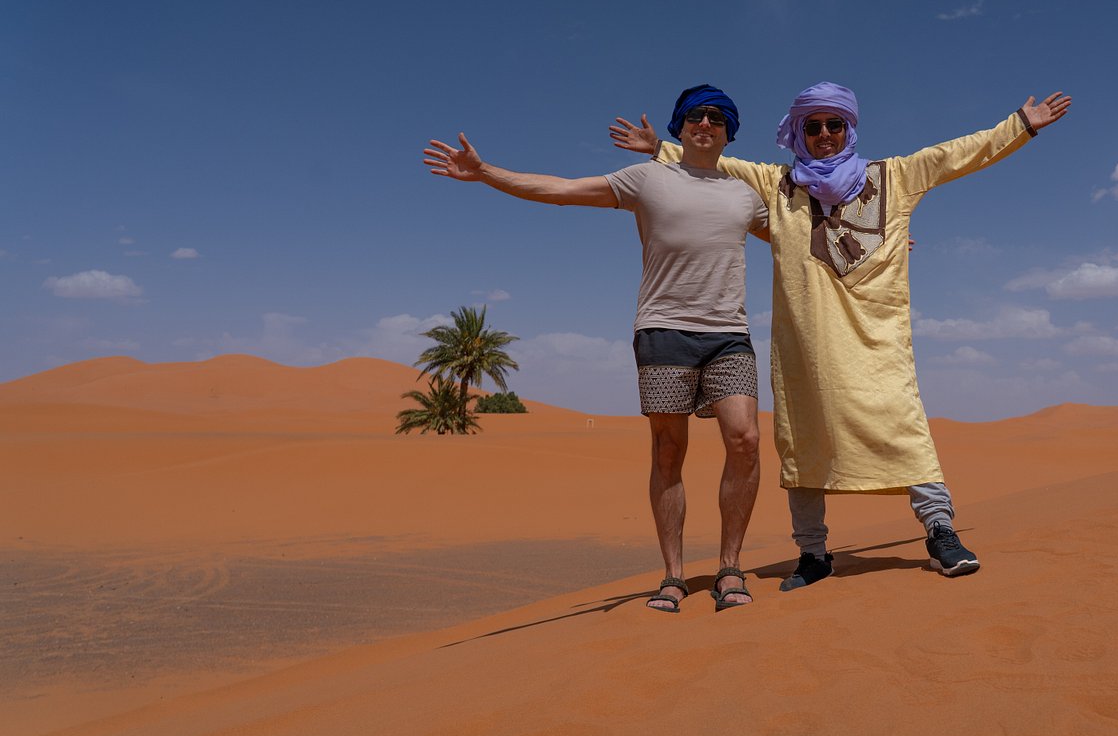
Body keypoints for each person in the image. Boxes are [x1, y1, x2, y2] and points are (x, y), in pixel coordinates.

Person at [614, 83, 1071, 588]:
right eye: (813, 126)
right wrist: (661, 149)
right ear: (799, 133)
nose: (824, 134)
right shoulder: (778, 185)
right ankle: (812, 552)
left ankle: (940, 530)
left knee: (903, 425)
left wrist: (1020, 127)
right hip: (805, 347)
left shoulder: (895, 176)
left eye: (835, 124)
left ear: (849, 129)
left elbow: (956, 155)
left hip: (877, 343)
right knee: (803, 439)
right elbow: (718, 160)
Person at [422, 85, 768, 613]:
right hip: (663, 330)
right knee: (668, 451)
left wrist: (872, 248)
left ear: (730, 132)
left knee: (745, 441)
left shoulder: (745, 194)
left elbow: (801, 238)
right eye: (695, 116)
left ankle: (730, 568)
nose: (705, 124)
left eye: (717, 118)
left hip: (729, 334)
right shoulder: (647, 178)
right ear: (680, 127)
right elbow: (562, 190)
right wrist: (487, 172)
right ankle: (674, 575)